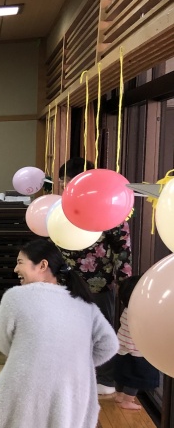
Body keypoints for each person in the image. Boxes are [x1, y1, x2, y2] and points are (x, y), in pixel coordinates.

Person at [0, 239, 118, 428]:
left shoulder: (14, 297)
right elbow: (110, 345)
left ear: (42, 265)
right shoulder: (85, 303)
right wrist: (77, 363)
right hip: (69, 423)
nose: (15, 269)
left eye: (20, 262)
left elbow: (4, 345)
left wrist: (29, 354)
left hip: (18, 416)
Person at [58, 158, 132, 395]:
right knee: (68, 329)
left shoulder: (109, 206)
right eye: (62, 182)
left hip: (99, 279)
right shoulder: (63, 205)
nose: (64, 186)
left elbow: (123, 247)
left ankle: (105, 379)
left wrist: (125, 283)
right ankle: (72, 376)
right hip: (65, 279)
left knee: (100, 329)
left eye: (67, 181)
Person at [112, 274, 161, 411]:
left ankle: (119, 395)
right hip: (136, 351)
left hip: (122, 348)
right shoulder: (141, 313)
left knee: (121, 374)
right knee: (136, 378)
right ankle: (127, 401)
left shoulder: (127, 310)